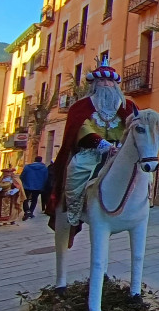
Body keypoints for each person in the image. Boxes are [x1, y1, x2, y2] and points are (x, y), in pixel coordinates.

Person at [47, 57, 137, 240]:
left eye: (110, 81)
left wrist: (121, 145)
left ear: (115, 84)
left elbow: (133, 127)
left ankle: (138, 207)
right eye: (102, 80)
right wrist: (102, 145)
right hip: (91, 152)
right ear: (95, 83)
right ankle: (75, 210)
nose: (106, 84)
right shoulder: (82, 106)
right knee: (76, 170)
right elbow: (82, 128)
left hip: (120, 153)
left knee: (141, 174)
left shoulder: (127, 106)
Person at [20, 155, 49, 220]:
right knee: (34, 200)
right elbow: (46, 178)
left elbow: (22, 176)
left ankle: (27, 210)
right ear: (41, 160)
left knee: (25, 199)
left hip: (27, 185)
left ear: (34, 160)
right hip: (38, 186)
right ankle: (31, 211)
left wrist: (22, 182)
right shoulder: (44, 168)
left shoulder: (27, 167)